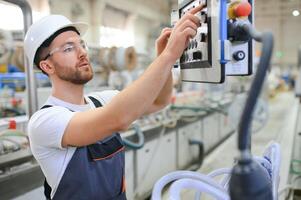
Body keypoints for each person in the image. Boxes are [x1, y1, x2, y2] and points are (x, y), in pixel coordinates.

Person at [24, 5, 204, 200]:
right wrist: (169, 55)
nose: (83, 53)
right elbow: (118, 119)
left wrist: (164, 59)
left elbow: (160, 101)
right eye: (69, 48)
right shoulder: (44, 121)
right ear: (47, 65)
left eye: (81, 44)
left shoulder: (102, 101)